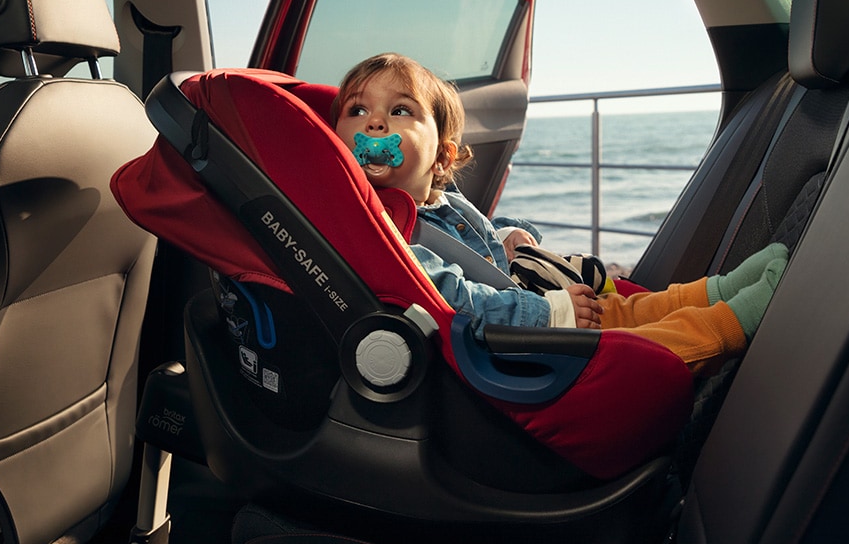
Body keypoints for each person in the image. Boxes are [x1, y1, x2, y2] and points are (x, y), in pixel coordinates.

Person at [330, 53, 786, 377]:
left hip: (518, 309)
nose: (374, 122)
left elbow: (479, 238)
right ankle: (730, 324)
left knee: (621, 309)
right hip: (505, 347)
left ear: (443, 159)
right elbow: (446, 294)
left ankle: (718, 291)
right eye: (358, 110)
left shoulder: (441, 205)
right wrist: (545, 313)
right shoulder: (377, 225)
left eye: (400, 110)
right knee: (628, 348)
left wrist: (510, 234)